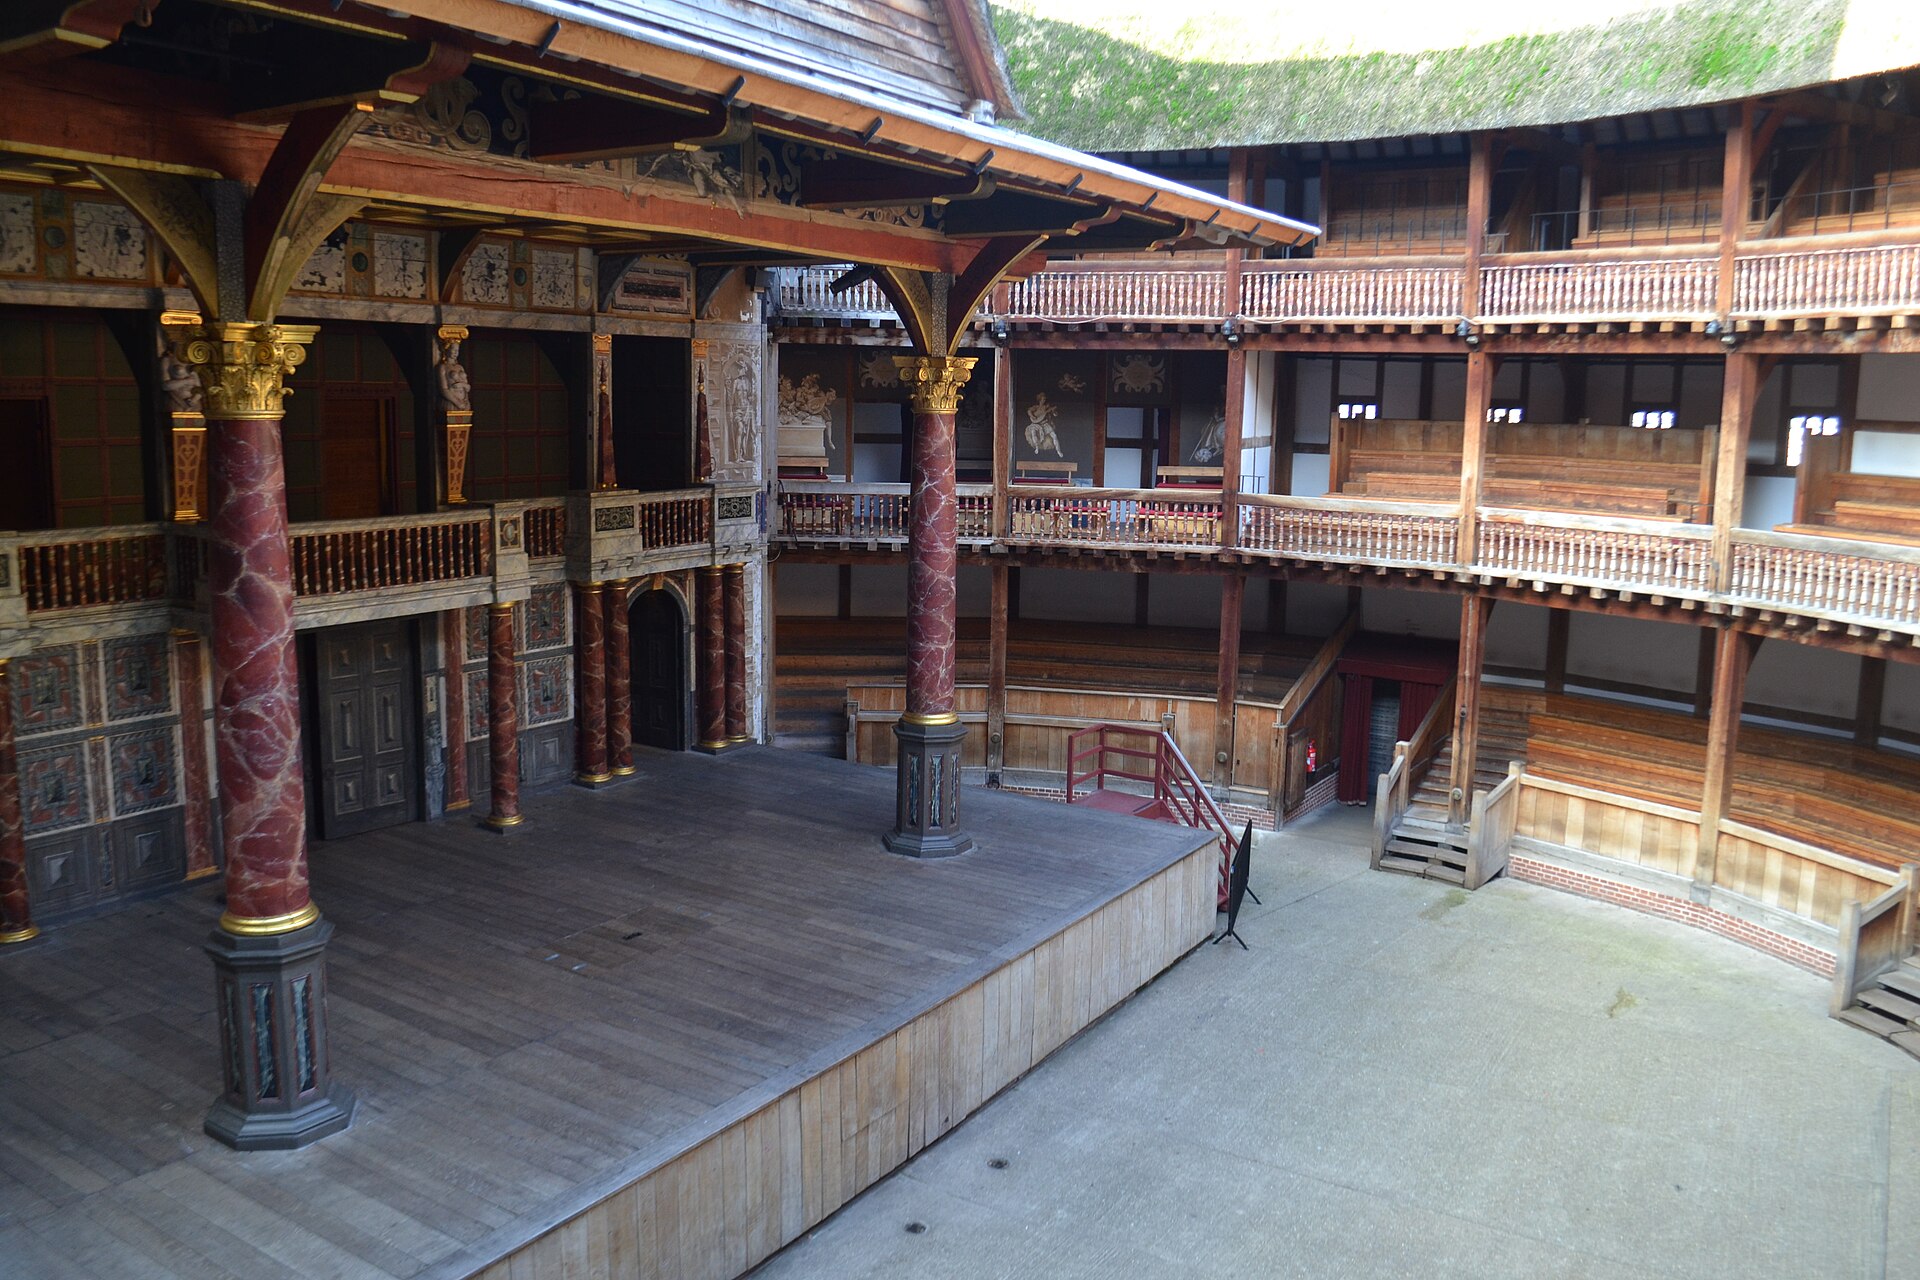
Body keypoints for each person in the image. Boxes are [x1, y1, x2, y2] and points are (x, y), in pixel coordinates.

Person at [1024, 392, 1064, 458]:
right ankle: (1036, 447)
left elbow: (1055, 414)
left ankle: (1059, 451)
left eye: (1045, 400)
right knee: (1033, 432)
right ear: (1040, 400)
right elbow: (1029, 411)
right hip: (1036, 424)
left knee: (1054, 436)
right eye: (1043, 399)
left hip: (1045, 424)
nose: (1044, 401)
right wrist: (1033, 416)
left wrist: (1054, 411)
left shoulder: (1047, 407)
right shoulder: (1036, 407)